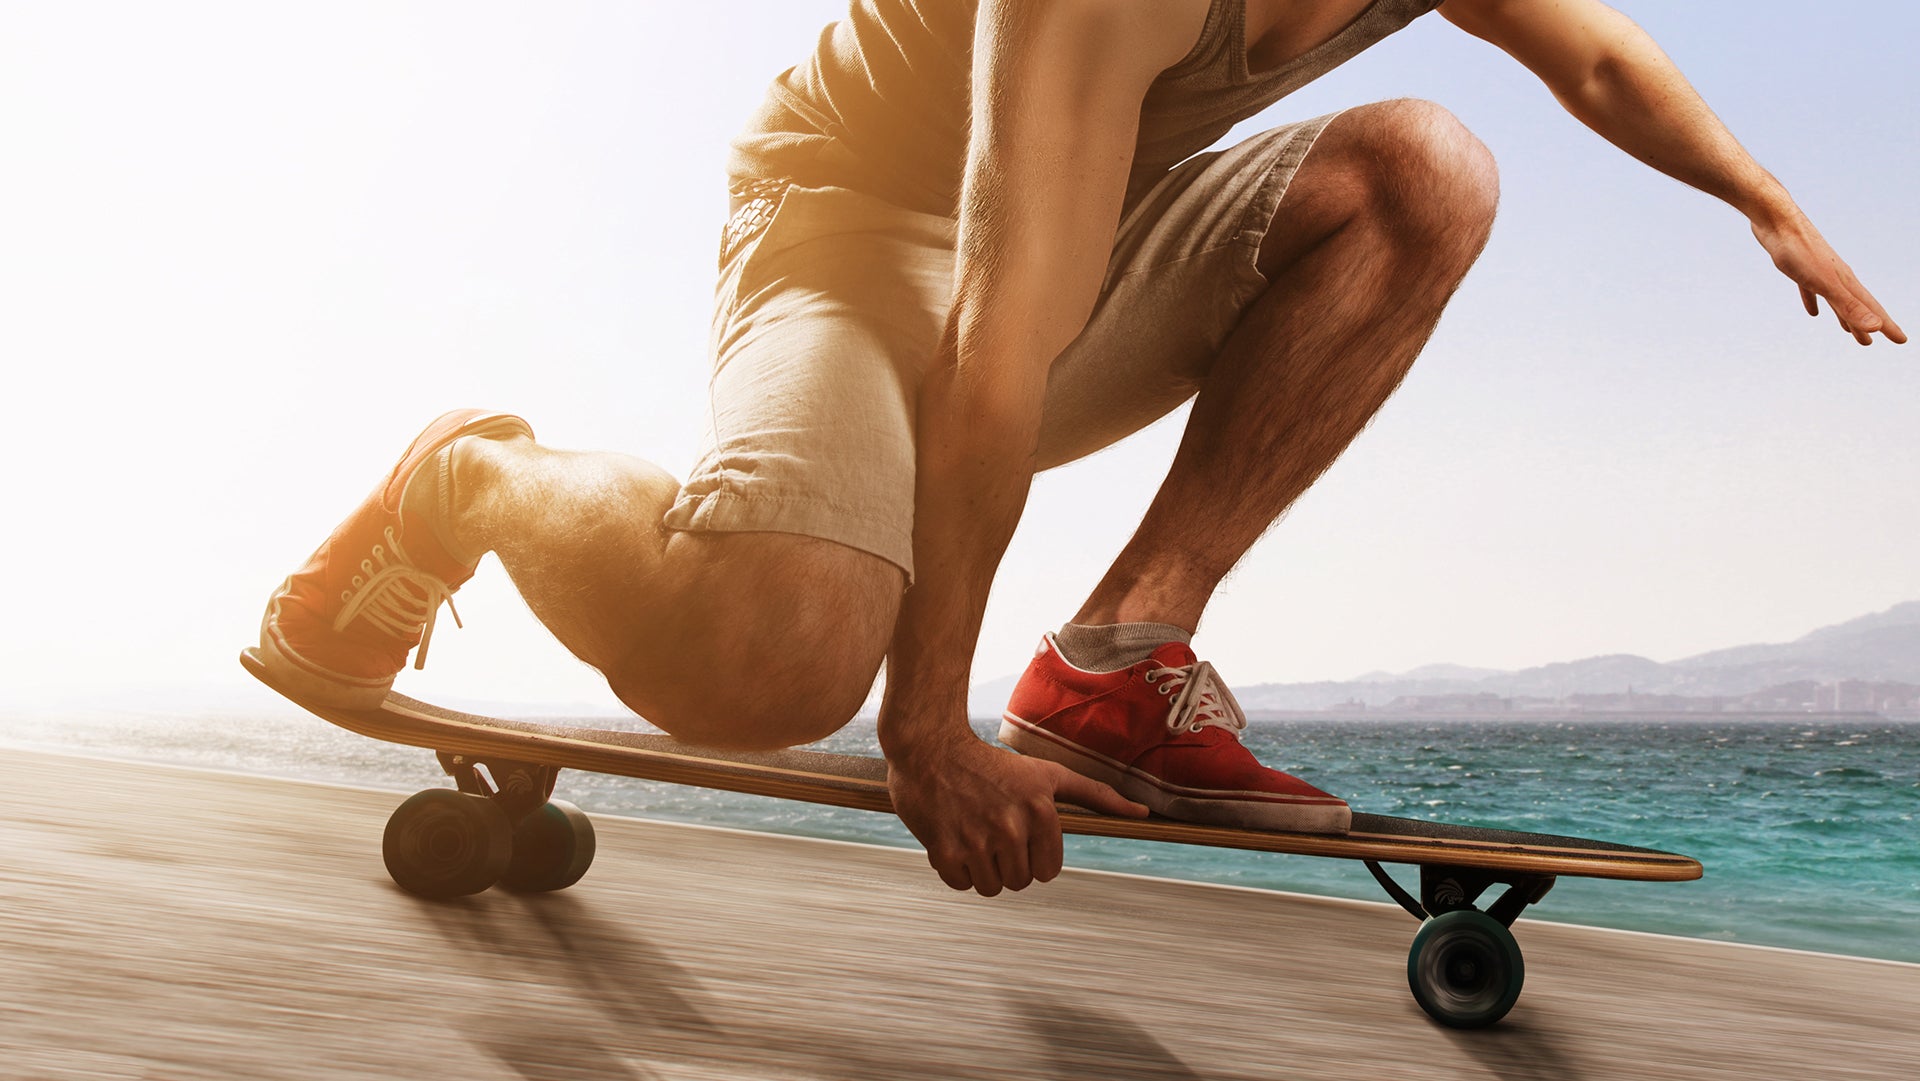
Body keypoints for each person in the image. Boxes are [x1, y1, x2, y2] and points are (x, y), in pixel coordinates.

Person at [258, 0, 1903, 898]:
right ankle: (467, 476)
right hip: (844, 232)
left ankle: (1121, 657)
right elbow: (992, 334)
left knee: (1431, 168)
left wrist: (1766, 201)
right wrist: (926, 729)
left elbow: (1603, 57)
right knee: (774, 668)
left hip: (1064, 235)